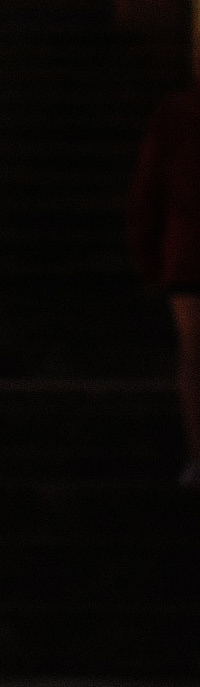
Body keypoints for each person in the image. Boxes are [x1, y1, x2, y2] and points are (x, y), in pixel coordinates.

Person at [127, 81, 200, 487]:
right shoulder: (175, 114)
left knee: (194, 353)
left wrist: (150, 259)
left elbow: (148, 191)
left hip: (188, 252)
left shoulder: (176, 113)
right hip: (188, 252)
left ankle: (198, 455)